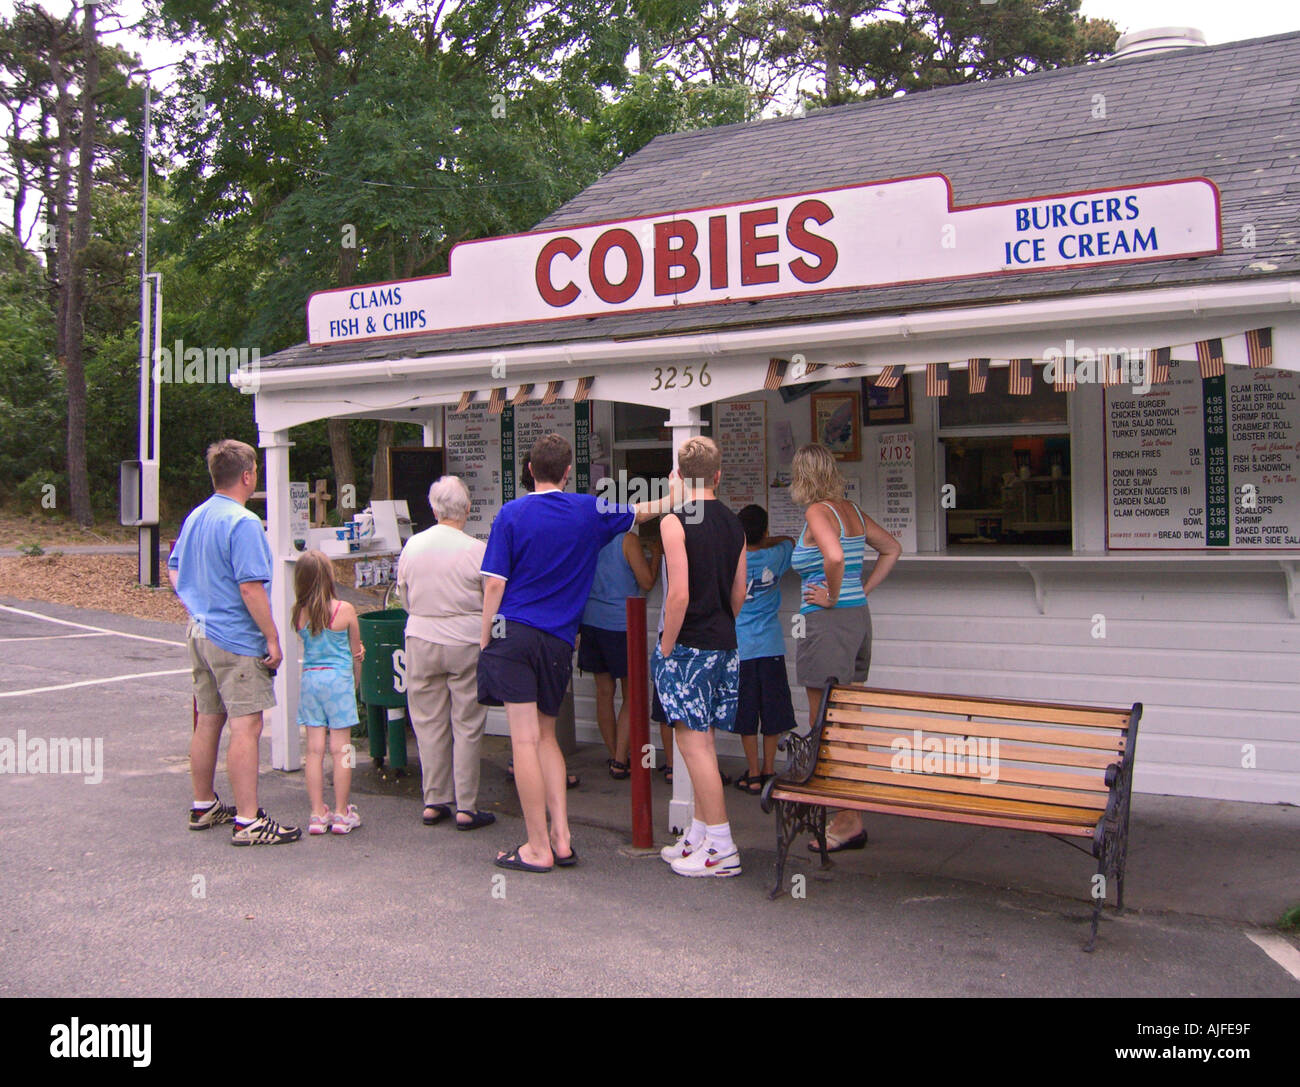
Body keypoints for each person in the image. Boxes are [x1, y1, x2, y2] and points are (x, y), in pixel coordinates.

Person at [479, 433, 673, 873]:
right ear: (568, 472)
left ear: (530, 469)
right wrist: (680, 486)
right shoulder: (589, 510)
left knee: (523, 740)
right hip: (558, 641)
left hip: (514, 634)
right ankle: (562, 838)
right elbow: (644, 510)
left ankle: (536, 847)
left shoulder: (511, 513)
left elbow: (494, 584)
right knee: (546, 738)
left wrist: (484, 634)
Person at [168, 438, 300, 845]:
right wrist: (272, 637)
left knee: (209, 718)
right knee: (247, 724)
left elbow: (174, 568)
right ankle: (249, 820)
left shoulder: (197, 516)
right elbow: (250, 589)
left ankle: (203, 803)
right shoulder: (243, 523)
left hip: (200, 631)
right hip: (237, 639)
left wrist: (197, 602)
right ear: (247, 475)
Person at [789, 443, 901, 853]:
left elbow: (833, 556)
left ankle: (846, 818)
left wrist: (833, 597)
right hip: (858, 621)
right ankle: (851, 812)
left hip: (828, 624)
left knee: (826, 723)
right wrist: (859, 590)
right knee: (850, 719)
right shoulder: (849, 509)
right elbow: (892, 548)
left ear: (803, 476)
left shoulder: (818, 512)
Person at [655, 437, 747, 878]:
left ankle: (723, 849)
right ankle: (700, 833)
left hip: (688, 643)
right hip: (724, 640)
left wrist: (667, 645)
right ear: (718, 474)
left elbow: (678, 594)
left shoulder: (674, 522)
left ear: (679, 475)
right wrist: (721, 622)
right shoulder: (734, 523)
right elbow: (739, 591)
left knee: (695, 746)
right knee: (704, 741)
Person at [397, 476, 496, 831]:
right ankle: (467, 805)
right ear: (467, 509)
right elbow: (491, 596)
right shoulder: (477, 549)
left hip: (421, 636)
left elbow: (404, 595)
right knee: (467, 724)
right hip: (465, 641)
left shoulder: (413, 545)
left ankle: (434, 798)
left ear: (434, 508)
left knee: (428, 723)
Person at [578, 527, 660, 778]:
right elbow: (646, 581)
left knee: (604, 692)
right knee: (632, 693)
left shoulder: (588, 536)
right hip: (621, 624)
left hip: (590, 621)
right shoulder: (628, 540)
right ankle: (620, 759)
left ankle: (615, 754)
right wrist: (656, 554)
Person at [292, 550, 364, 834]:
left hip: (311, 680)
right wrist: (360, 659)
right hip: (338, 681)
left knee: (313, 750)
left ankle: (316, 813)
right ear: (329, 576)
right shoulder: (344, 609)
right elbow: (356, 650)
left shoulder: (298, 612)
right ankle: (341, 811)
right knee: (342, 750)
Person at [728, 505, 796, 795]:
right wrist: (766, 538)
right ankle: (770, 769)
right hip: (770, 646)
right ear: (765, 531)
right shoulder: (775, 555)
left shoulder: (731, 558)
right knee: (772, 710)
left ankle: (753, 773)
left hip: (740, 647)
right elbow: (791, 542)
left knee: (746, 713)